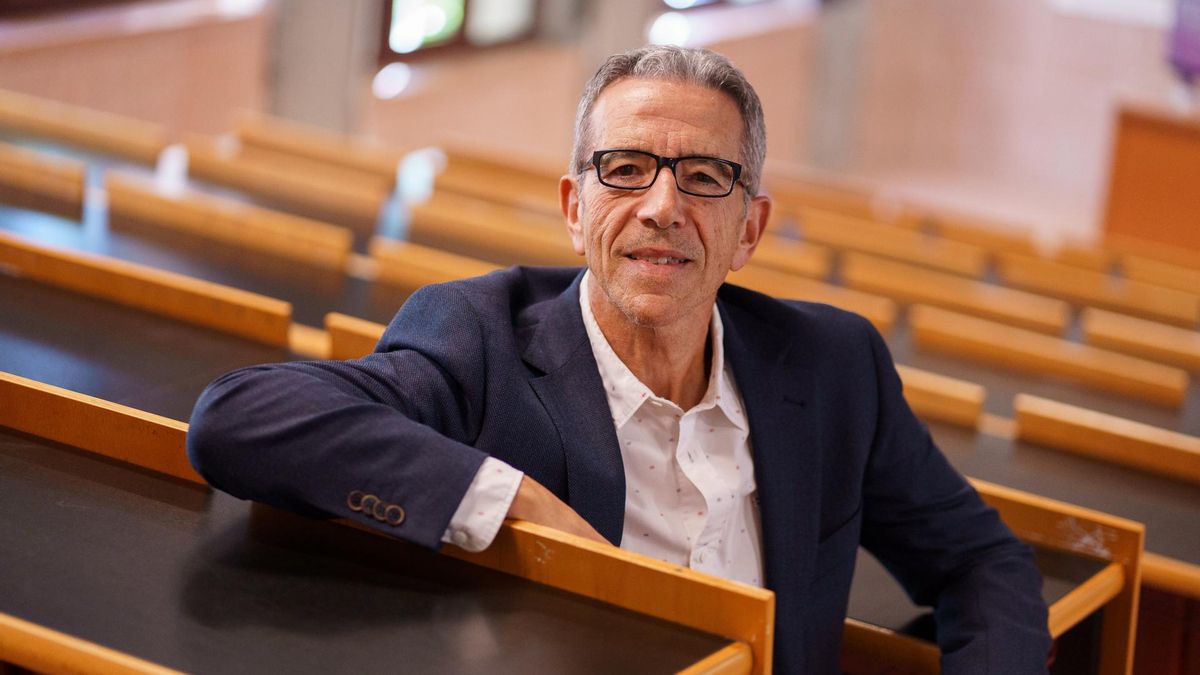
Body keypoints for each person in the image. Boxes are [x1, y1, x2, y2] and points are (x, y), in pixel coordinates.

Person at [188, 45, 1051, 673]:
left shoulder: (832, 364)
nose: (661, 207)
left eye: (706, 176)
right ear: (575, 206)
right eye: (626, 168)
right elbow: (241, 417)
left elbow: (984, 562)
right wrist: (514, 501)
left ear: (749, 228)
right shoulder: (480, 338)